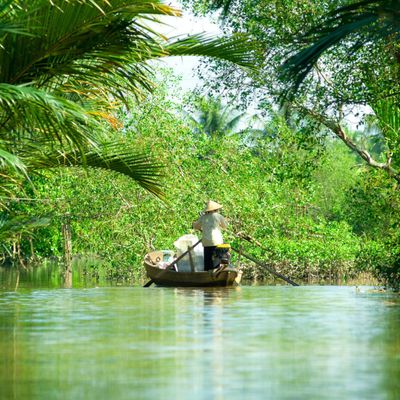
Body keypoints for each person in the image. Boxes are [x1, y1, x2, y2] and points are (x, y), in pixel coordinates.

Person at [193, 200, 228, 271]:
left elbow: (196, 226)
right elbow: (225, 226)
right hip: (217, 242)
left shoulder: (203, 217)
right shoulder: (218, 216)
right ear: (216, 209)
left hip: (206, 242)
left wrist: (202, 228)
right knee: (216, 259)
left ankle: (207, 273)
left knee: (208, 260)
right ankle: (215, 272)